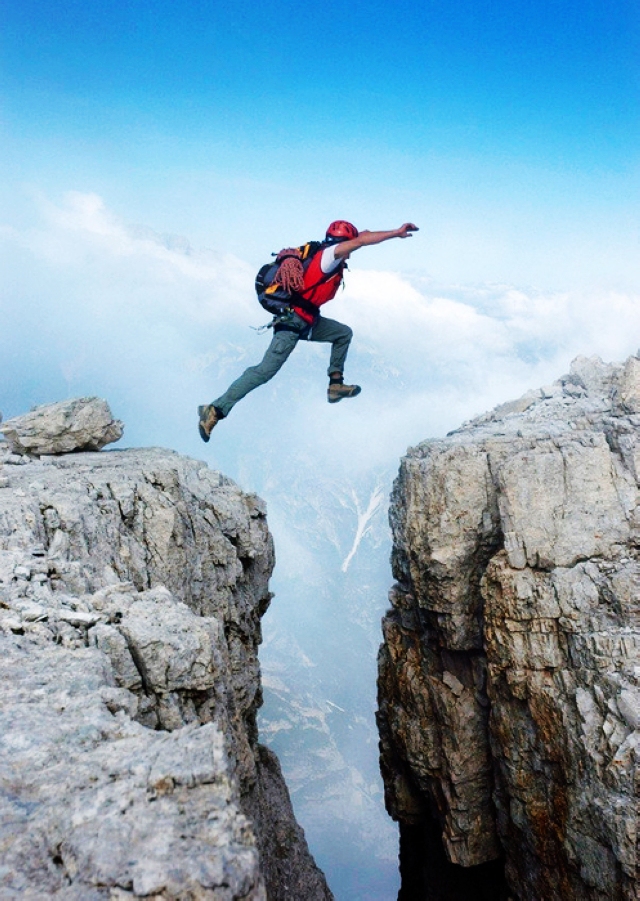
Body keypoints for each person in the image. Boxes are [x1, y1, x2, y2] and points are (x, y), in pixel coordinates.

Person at [198, 219, 419, 441]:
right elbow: (361, 240)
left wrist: (379, 234)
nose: (352, 252)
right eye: (350, 246)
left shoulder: (327, 251)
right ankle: (215, 409)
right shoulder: (330, 256)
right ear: (344, 242)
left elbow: (363, 234)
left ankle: (335, 385)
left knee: (343, 333)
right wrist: (396, 233)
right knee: (264, 371)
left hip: (308, 321)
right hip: (292, 323)